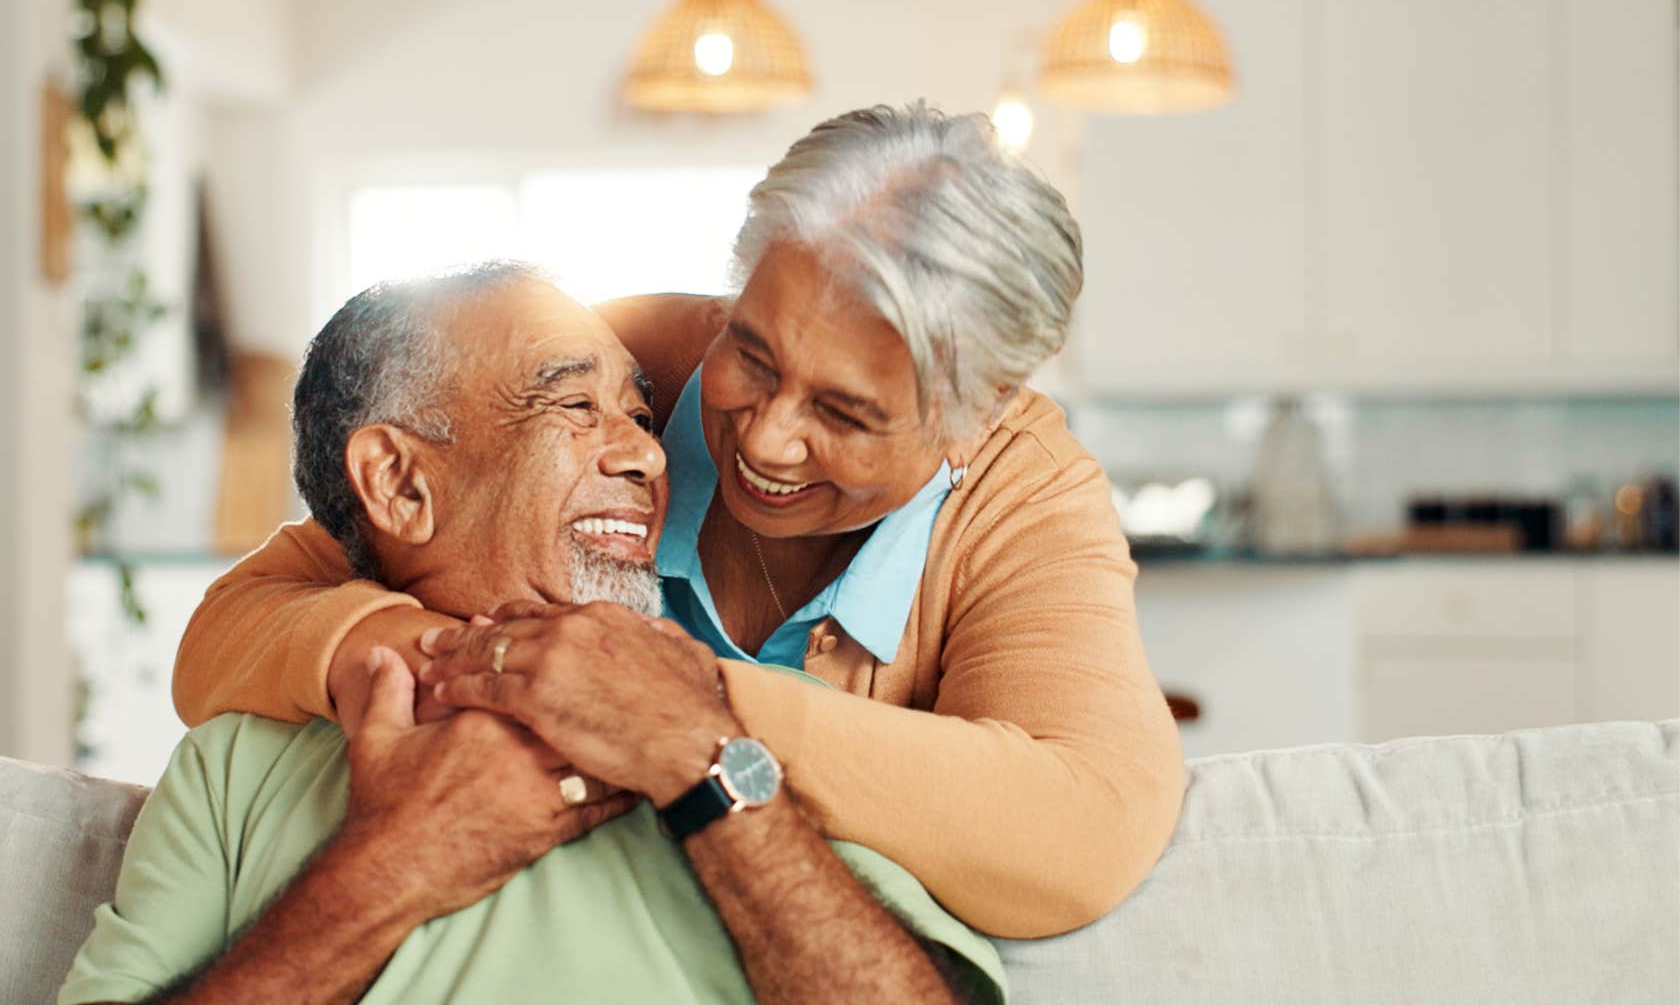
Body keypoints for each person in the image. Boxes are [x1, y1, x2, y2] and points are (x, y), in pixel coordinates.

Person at [173, 103, 1186, 939]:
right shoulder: (619, 365)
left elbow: (1080, 829)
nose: (768, 441)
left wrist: (680, 708)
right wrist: (466, 657)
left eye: (845, 413)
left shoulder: (1025, 488)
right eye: (752, 352)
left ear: (978, 417)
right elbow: (249, 610)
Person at [59, 266, 1004, 1005]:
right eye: (573, 407)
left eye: (638, 413)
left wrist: (703, 763)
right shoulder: (235, 770)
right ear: (399, 484)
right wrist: (399, 860)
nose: (644, 453)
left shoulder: (761, 731)